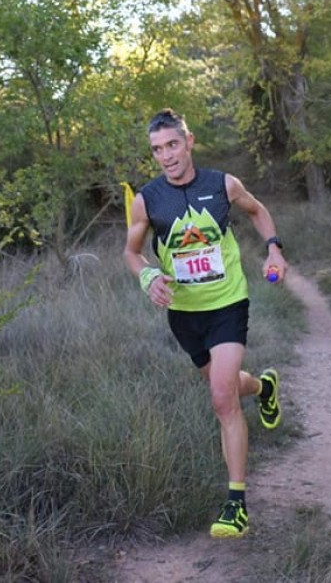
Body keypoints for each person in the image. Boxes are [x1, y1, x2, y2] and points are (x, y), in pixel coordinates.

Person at [123, 108, 287, 539]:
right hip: (184, 313)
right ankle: (264, 387)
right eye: (157, 149)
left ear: (188, 141)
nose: (166, 156)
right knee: (227, 386)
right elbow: (131, 251)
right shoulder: (147, 199)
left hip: (228, 302)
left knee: (221, 399)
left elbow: (258, 211)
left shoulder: (223, 184)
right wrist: (147, 275)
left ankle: (236, 504)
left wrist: (273, 249)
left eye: (172, 145)